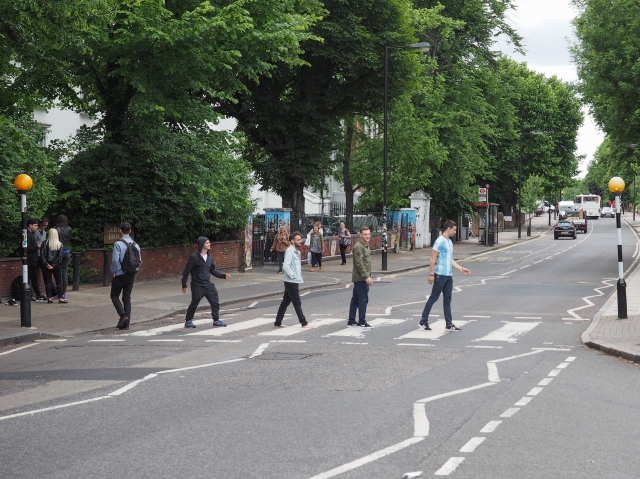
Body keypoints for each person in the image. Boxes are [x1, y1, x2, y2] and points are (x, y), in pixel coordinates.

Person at [419, 220, 470, 332]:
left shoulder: (450, 242)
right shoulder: (439, 241)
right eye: (454, 229)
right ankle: (423, 320)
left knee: (447, 300)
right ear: (448, 228)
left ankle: (449, 324)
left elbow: (450, 259)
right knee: (433, 298)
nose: (455, 232)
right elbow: (432, 258)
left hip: (448, 276)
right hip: (440, 274)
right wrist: (431, 274)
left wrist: (461, 269)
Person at [182, 236, 230, 329]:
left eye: (209, 242)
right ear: (202, 244)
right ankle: (188, 321)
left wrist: (223, 276)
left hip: (207, 284)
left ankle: (216, 321)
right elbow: (186, 271)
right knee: (195, 302)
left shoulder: (209, 257)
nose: (209, 244)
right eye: (207, 243)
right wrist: (184, 284)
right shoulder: (194, 257)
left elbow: (212, 270)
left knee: (215, 301)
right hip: (197, 285)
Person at [274, 232, 313, 329]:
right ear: (292, 241)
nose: (301, 241)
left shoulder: (297, 252)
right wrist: (293, 276)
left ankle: (278, 322)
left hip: (293, 280)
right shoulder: (290, 251)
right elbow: (285, 266)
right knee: (297, 302)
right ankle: (304, 322)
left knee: (286, 301)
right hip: (291, 281)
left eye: (300, 239)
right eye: (298, 240)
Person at [110, 222, 141, 330]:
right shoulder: (136, 244)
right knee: (126, 298)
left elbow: (115, 260)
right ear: (130, 231)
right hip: (131, 274)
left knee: (114, 295)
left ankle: (123, 315)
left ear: (120, 230)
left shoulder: (118, 244)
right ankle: (126, 324)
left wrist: (114, 270)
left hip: (119, 274)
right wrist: (135, 271)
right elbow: (139, 260)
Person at [348, 226, 373, 328]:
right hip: (360, 278)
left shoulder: (365, 245)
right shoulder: (359, 246)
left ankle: (351, 321)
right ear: (360, 235)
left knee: (355, 300)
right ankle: (362, 321)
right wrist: (366, 277)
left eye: (368, 234)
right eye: (365, 234)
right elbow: (359, 264)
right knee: (363, 300)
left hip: (361, 277)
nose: (367, 236)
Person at [41, 228, 64, 303]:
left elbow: (42, 255)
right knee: (59, 281)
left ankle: (49, 298)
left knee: (47, 281)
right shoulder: (59, 244)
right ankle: (60, 298)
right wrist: (54, 265)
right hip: (57, 265)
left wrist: (47, 264)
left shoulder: (45, 243)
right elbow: (59, 256)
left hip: (47, 265)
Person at [26, 219, 46, 302]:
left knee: (34, 277)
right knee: (28, 277)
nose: (36, 227)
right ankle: (28, 294)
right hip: (29, 259)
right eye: (35, 225)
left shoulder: (32, 234)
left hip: (33, 259)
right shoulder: (26, 234)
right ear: (30, 225)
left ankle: (38, 294)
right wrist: (37, 247)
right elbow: (26, 248)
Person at [55, 215, 72, 301]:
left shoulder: (56, 230)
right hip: (67, 251)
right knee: (64, 272)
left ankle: (59, 294)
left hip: (59, 252)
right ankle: (64, 293)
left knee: (59, 274)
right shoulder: (69, 229)